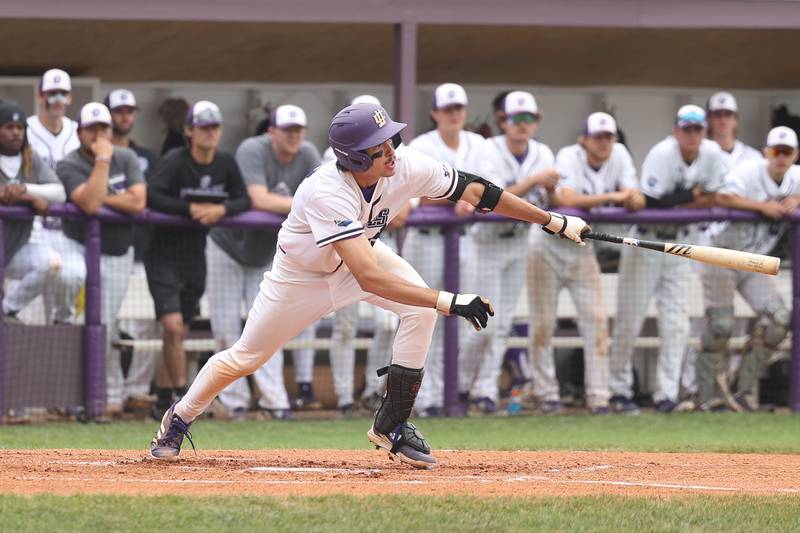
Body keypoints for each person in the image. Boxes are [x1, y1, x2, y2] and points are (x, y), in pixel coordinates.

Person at [149, 102, 590, 468]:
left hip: (362, 255)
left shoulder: (405, 165)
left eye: (391, 141)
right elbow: (368, 276)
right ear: (356, 158)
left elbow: (478, 192)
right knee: (245, 358)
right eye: (379, 148)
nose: (392, 152)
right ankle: (180, 415)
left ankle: (391, 424)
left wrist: (551, 219)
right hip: (301, 279)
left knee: (418, 311)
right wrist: (450, 301)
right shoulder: (325, 190)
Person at [609, 105, 727, 414]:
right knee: (629, 320)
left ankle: (667, 394)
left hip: (681, 244)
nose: (692, 134)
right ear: (676, 131)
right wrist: (693, 195)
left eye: (697, 129)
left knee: (676, 323)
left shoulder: (713, 154)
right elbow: (653, 201)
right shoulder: (663, 153)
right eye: (686, 129)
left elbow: (715, 197)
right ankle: (618, 391)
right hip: (647, 241)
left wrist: (690, 198)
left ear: (704, 131)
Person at [208, 104, 320, 420]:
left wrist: (292, 206)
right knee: (226, 326)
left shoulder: (309, 153)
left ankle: (274, 401)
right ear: (271, 131)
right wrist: (301, 206)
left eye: (298, 130)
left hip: (266, 252)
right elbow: (258, 198)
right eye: (287, 130)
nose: (294, 136)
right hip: (227, 248)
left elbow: (323, 196)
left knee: (267, 326)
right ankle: (234, 401)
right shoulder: (252, 149)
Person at [529, 112, 644, 414]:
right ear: (584, 139)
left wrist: (631, 199)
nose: (604, 142)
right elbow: (565, 199)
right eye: (598, 137)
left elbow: (634, 195)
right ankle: (546, 394)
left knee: (596, 320)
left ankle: (599, 396)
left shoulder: (619, 155)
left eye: (608, 136)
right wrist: (615, 196)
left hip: (582, 246)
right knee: (543, 323)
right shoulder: (569, 155)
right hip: (548, 245)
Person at [145, 100, 251, 417]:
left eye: (214, 127)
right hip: (163, 253)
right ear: (189, 131)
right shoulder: (175, 160)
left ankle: (163, 397)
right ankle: (180, 400)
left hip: (195, 255)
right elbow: (151, 194)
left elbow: (244, 198)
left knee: (179, 330)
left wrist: (222, 210)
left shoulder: (225, 163)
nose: (209, 134)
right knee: (174, 327)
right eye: (203, 127)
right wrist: (188, 210)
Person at [458, 90, 557, 414]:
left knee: (502, 323)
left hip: (517, 243)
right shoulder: (487, 150)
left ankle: (484, 390)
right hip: (485, 243)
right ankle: (459, 386)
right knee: (476, 322)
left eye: (529, 118)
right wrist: (533, 181)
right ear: (504, 121)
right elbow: (489, 199)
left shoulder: (542, 152)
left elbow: (550, 201)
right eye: (516, 119)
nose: (523, 125)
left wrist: (549, 188)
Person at [404, 82, 496, 416]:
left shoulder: (479, 144)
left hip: (464, 240)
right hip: (427, 238)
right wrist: (456, 196)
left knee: (463, 314)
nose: (454, 114)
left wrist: (468, 198)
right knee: (425, 313)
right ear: (435, 113)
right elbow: (413, 191)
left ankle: (449, 394)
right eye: (447, 109)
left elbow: (489, 190)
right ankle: (424, 398)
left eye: (458, 108)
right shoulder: (421, 144)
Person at [695, 126, 798, 412]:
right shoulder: (751, 170)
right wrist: (761, 207)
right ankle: (704, 397)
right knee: (721, 325)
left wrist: (798, 200)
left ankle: (739, 388)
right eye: (776, 151)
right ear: (767, 152)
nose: (781, 157)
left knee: (780, 320)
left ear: (795, 156)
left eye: (787, 152)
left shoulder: (796, 178)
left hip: (753, 261)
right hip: (721, 254)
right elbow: (722, 197)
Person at [56, 102, 146, 416]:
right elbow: (92, 205)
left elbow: (138, 201)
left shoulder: (129, 156)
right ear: (79, 132)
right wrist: (103, 160)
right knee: (88, 323)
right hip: (78, 251)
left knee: (106, 323)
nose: (98, 135)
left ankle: (107, 394)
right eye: (91, 129)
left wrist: (104, 194)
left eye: (103, 128)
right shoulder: (68, 164)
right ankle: (96, 395)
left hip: (120, 253)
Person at [323, 95, 402, 415]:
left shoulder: (394, 156)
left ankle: (372, 389)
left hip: (381, 242)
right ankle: (344, 396)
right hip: (340, 252)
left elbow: (406, 192)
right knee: (345, 326)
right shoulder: (333, 165)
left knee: (386, 324)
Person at [105, 88, 161, 411]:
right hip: (109, 249)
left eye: (129, 111)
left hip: (143, 249)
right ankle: (111, 390)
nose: (124, 117)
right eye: (118, 111)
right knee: (107, 321)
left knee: (149, 322)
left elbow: (148, 200)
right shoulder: (95, 157)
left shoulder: (148, 158)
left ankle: (136, 390)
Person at [25, 69, 85, 324]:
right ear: (40, 96)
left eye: (63, 93)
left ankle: (63, 327)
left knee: (72, 278)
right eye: (52, 93)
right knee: (30, 315)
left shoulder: (78, 132)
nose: (57, 99)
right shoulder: (24, 130)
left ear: (70, 98)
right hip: (32, 226)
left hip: (68, 229)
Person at [0, 101, 66, 323]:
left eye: (20, 128)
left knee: (51, 263)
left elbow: (59, 193)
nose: (16, 133)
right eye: (8, 127)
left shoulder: (30, 158)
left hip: (16, 248)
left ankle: (7, 309)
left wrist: (26, 192)